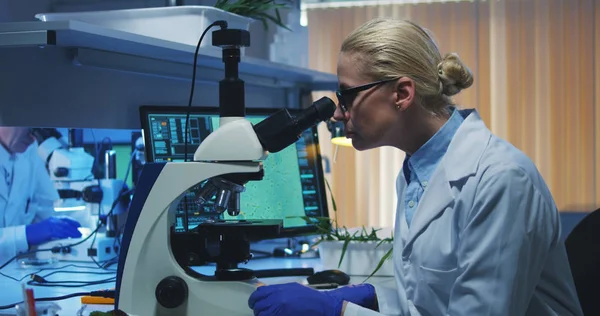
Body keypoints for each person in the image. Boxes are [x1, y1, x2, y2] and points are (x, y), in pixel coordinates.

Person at [248, 18, 583, 316]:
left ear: (402, 94)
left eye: (347, 96)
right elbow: (427, 306)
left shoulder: (500, 179)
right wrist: (376, 298)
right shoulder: (417, 174)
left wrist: (338, 311)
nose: (338, 113)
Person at [0, 126, 82, 264]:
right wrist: (24, 234)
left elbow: (49, 208)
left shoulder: (28, 151)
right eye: (27, 127)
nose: (33, 137)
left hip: (12, 273)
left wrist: (101, 210)